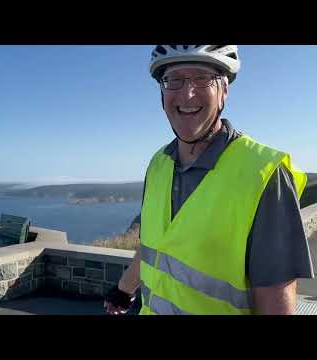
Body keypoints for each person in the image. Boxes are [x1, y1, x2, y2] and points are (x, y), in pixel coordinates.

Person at [104, 45, 314, 315]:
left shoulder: (264, 174)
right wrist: (123, 290)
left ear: (224, 90)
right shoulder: (159, 164)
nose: (187, 94)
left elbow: (277, 304)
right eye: (173, 80)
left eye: (202, 79)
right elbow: (152, 248)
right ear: (161, 92)